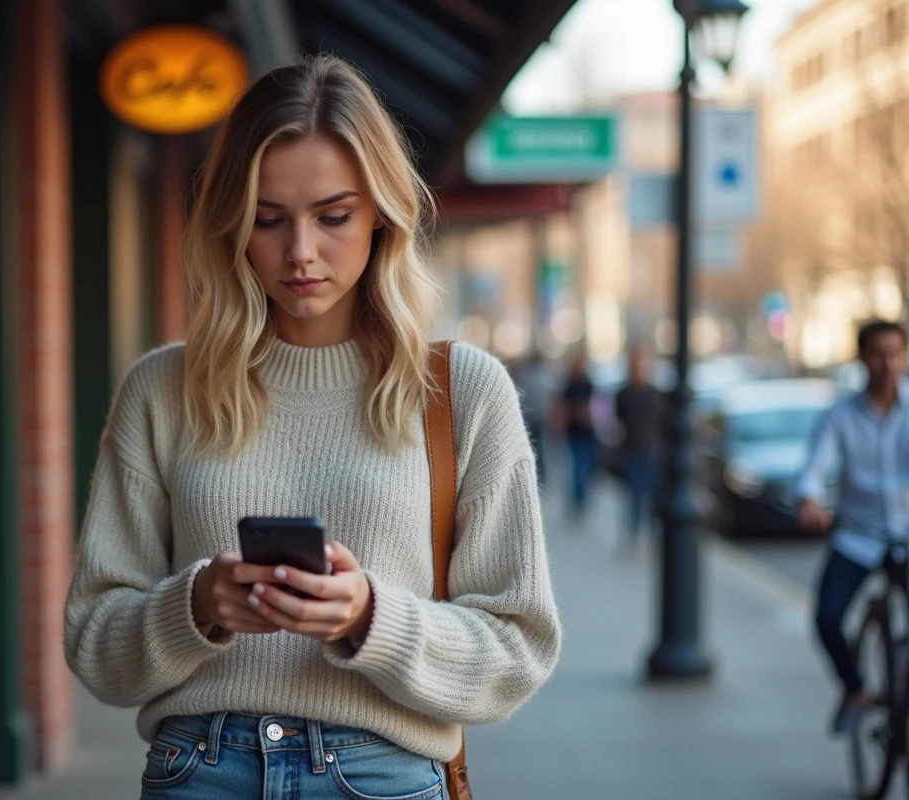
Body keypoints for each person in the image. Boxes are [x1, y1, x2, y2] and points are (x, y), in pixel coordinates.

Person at [63, 56, 561, 799]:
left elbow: (518, 650)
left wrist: (369, 617)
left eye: (333, 217)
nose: (300, 251)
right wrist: (197, 605)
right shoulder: (162, 389)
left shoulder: (461, 392)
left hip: (383, 774)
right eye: (267, 219)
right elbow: (94, 641)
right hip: (200, 769)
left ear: (381, 213)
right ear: (233, 224)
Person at [795, 319, 909, 736]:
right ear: (862, 358)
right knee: (827, 617)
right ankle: (855, 688)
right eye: (877, 355)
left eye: (894, 354)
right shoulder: (840, 415)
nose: (887, 364)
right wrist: (809, 500)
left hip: (906, 536)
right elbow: (814, 468)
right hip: (858, 535)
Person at [614, 345, 663, 545]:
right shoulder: (624, 393)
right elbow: (618, 420)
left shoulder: (655, 393)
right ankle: (634, 535)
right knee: (634, 497)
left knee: (652, 497)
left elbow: (663, 422)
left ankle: (651, 536)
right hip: (632, 451)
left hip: (652, 451)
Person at [558, 351, 597, 515]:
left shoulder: (589, 384)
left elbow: (597, 407)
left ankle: (582, 499)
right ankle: (577, 500)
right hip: (574, 433)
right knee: (577, 468)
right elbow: (563, 407)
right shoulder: (570, 385)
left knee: (586, 468)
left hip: (588, 432)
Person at [514, 350, 551, 484]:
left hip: (529, 417)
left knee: (532, 446)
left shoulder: (526, 377)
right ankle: (541, 474)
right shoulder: (543, 377)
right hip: (539, 418)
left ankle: (535, 472)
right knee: (539, 446)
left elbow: (523, 398)